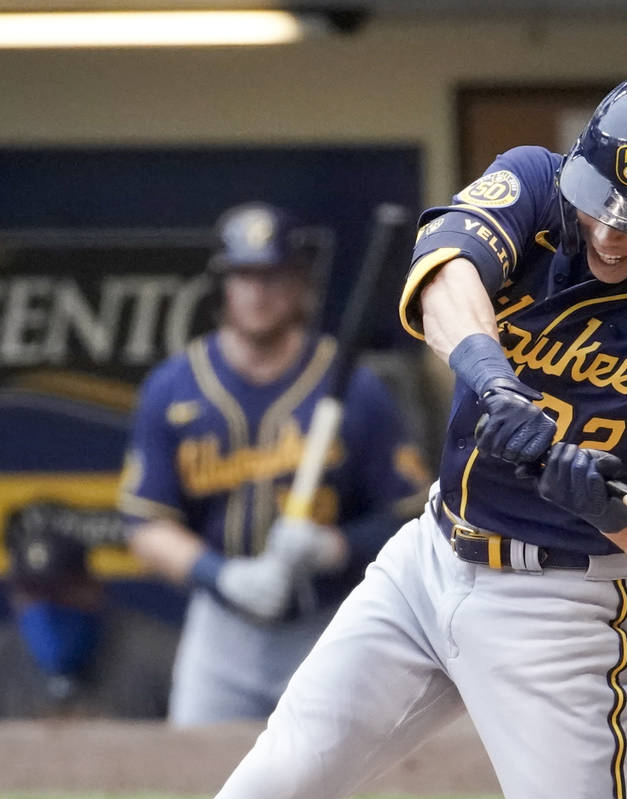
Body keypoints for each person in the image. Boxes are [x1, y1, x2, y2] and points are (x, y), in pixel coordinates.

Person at [213, 70, 627, 799]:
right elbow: (443, 268)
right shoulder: (536, 181)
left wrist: (608, 508)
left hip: (567, 608)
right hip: (427, 559)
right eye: (600, 202)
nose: (606, 235)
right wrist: (494, 378)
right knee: (270, 785)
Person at [119, 201, 428, 727]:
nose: (259, 292)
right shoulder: (174, 385)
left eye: (273, 276)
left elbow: (412, 517)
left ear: (298, 284)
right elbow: (145, 523)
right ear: (225, 285)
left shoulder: (355, 385)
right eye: (245, 275)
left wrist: (336, 548)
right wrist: (221, 574)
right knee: (201, 779)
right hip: (221, 629)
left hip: (330, 622)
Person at [0, 503, 178, 719]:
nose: (47, 606)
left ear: (93, 588)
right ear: (15, 596)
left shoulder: (159, 656)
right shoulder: (6, 657)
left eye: (60, 589)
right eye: (33, 592)